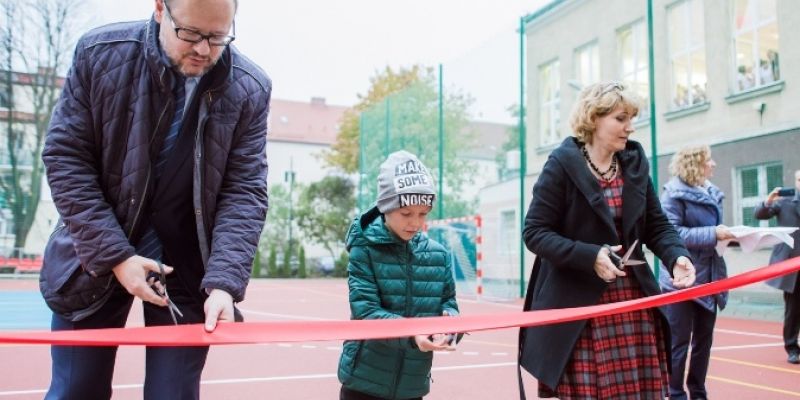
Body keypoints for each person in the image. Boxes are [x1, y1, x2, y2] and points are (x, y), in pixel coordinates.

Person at [39, 0, 271, 398]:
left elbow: (245, 191)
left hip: (186, 263)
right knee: (77, 390)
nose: (203, 50)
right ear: (161, 9)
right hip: (95, 255)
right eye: (191, 34)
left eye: (218, 37)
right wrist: (116, 258)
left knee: (173, 395)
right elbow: (66, 158)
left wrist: (224, 284)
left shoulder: (251, 88)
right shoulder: (99, 55)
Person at [519, 81, 696, 399]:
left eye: (632, 118)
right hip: (580, 308)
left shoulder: (634, 163)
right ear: (593, 119)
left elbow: (656, 225)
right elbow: (534, 232)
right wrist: (589, 256)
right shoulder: (560, 166)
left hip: (632, 301)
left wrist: (676, 257)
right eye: (620, 118)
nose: (630, 127)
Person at [337, 151, 460, 400]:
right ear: (386, 207)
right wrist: (413, 336)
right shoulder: (364, 248)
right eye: (406, 214)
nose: (415, 222)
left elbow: (449, 305)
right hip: (363, 383)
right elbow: (366, 311)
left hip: (412, 385)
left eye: (423, 213)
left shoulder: (439, 255)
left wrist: (450, 329)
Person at [659, 145, 735, 400]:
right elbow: (672, 233)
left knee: (703, 344)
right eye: (708, 160)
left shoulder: (712, 192)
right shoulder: (672, 194)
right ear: (694, 163)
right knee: (678, 344)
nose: (713, 164)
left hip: (709, 278)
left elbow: (712, 235)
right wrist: (714, 233)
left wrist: (733, 237)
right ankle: (675, 392)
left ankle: (698, 392)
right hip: (679, 281)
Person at [754, 169, 800, 364]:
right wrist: (768, 200)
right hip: (793, 267)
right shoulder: (785, 202)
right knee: (794, 310)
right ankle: (792, 348)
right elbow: (760, 214)